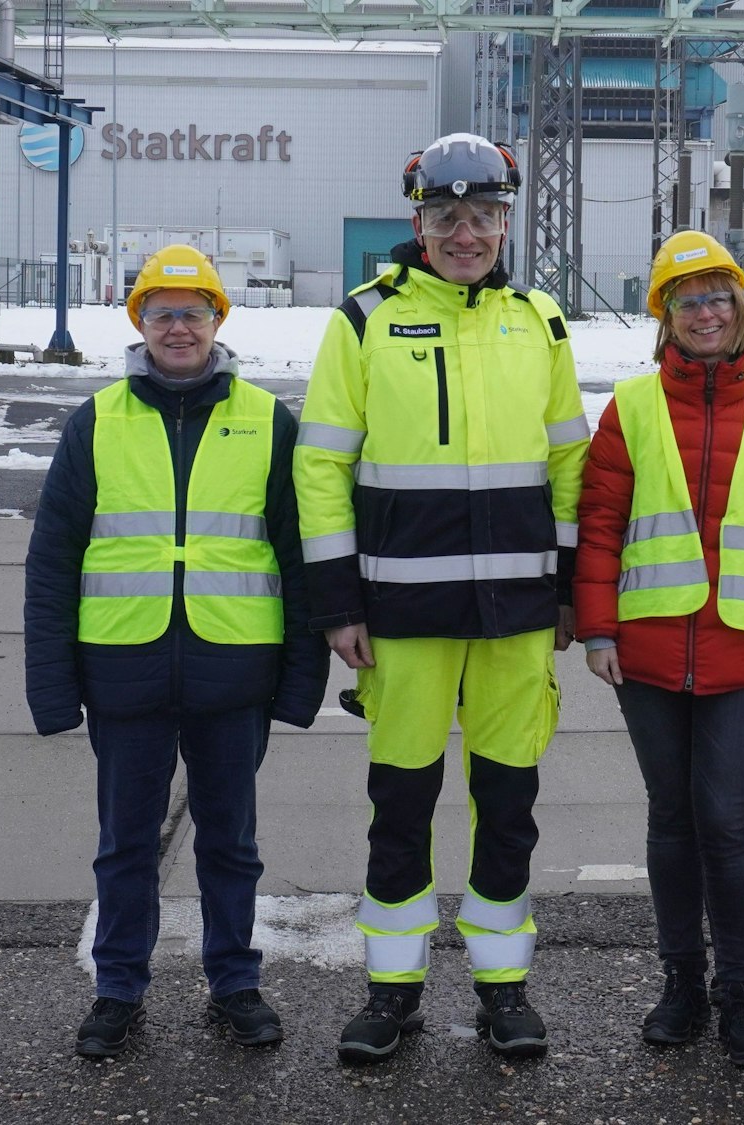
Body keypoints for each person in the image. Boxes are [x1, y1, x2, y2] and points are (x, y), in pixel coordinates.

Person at [295, 132, 590, 1064]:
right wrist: (338, 602)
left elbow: (570, 465)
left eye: (484, 216)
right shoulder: (363, 321)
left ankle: (504, 987)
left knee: (508, 806)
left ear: (505, 222)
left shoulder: (540, 321)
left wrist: (570, 591)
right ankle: (393, 990)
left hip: (516, 617)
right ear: (418, 224)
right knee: (401, 807)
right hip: (402, 618)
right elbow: (321, 466)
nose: (466, 233)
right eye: (447, 216)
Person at [24, 243, 328, 1059]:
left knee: (231, 843)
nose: (179, 328)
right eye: (162, 313)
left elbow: (299, 558)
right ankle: (118, 987)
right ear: (140, 323)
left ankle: (234, 982)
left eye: (193, 312)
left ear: (217, 320)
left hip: (236, 671)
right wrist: (52, 686)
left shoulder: (268, 420)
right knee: (126, 843)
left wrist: (301, 681)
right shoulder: (98, 421)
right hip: (124, 670)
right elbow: (53, 561)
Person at [575, 232, 744, 1068]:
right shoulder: (632, 406)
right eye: (688, 301)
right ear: (666, 317)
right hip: (647, 649)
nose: (705, 313)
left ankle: (740, 994)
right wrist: (599, 627)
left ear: (740, 309)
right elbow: (601, 524)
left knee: (725, 816)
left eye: (719, 297)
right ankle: (681, 983)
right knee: (673, 817)